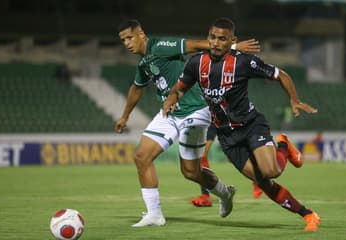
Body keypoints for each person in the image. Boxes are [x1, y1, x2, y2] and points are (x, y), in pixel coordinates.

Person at [162, 17, 320, 232]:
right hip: (228, 137)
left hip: (251, 125)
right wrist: (173, 98)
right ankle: (308, 214)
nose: (216, 43)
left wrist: (294, 99)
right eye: (212, 37)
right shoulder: (196, 62)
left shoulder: (244, 62)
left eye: (222, 39)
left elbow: (280, 74)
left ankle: (283, 145)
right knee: (263, 183)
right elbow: (180, 88)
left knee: (271, 171)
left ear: (232, 40)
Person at [114, 19, 260, 227]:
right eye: (123, 40)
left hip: (195, 111)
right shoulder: (144, 62)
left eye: (130, 37)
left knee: (191, 172)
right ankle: (154, 214)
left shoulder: (160, 46)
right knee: (141, 157)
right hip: (169, 113)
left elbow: (195, 45)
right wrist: (124, 116)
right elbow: (136, 88)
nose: (127, 43)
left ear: (141, 34)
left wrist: (234, 47)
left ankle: (224, 194)